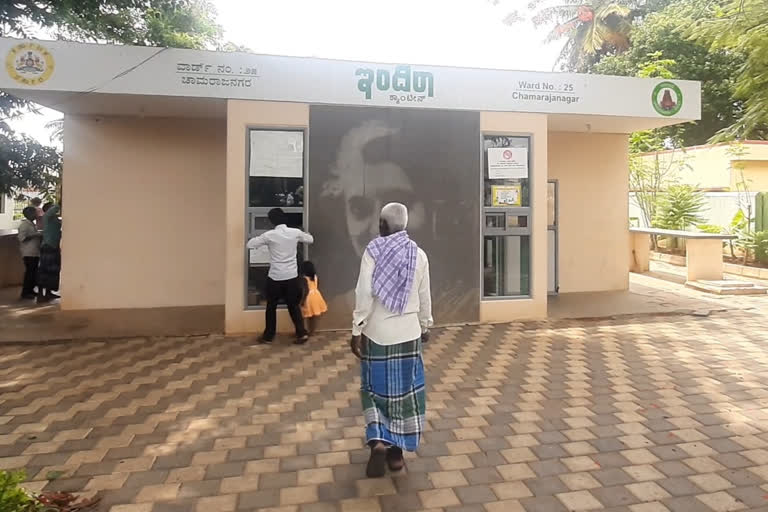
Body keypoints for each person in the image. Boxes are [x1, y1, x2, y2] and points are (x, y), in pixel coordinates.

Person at [350, 202, 433, 478]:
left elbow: (363, 292)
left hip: (377, 334)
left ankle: (377, 441)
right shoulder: (418, 255)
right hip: (408, 335)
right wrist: (426, 324)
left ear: (383, 225)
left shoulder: (372, 251)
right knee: (405, 395)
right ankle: (396, 455)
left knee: (374, 390)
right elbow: (424, 295)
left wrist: (356, 328)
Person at [247, 208, 314, 344]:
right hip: (291, 277)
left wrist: (263, 241)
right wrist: (304, 233)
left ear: (271, 221)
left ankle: (268, 336)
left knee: (271, 307)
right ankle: (301, 333)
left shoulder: (269, 235)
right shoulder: (294, 233)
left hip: (275, 277)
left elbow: (250, 244)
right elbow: (310, 240)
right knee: (294, 306)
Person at [37, 203, 62, 302]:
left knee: (53, 271)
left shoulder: (54, 219)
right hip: (48, 246)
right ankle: (40, 294)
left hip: (54, 246)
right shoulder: (46, 217)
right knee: (44, 271)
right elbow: (55, 208)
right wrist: (60, 202)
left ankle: (48, 292)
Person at [17, 206, 42, 300]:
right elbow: (22, 238)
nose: (36, 214)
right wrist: (35, 235)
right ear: (29, 214)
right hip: (28, 252)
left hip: (35, 251)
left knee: (33, 273)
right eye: (34, 213)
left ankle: (31, 290)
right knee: (29, 273)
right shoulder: (24, 225)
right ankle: (25, 292)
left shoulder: (32, 224)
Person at [299, 260, 328, 334]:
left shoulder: (304, 279)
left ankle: (302, 331)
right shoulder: (315, 277)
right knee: (313, 316)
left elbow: (305, 290)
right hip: (316, 296)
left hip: (308, 298)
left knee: (303, 314)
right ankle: (312, 331)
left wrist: (302, 301)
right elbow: (317, 285)